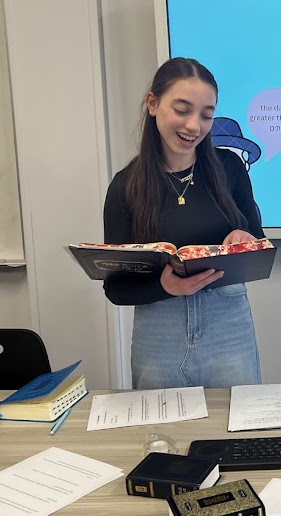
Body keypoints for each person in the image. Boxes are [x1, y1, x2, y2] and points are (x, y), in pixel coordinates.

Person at [102, 57, 264, 389]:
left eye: (206, 115)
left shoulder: (229, 168)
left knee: (235, 421)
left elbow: (259, 244)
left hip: (227, 328)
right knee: (159, 423)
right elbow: (115, 288)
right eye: (182, 110)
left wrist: (245, 238)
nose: (194, 126)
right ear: (152, 103)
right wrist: (165, 287)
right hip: (159, 331)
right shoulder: (126, 185)